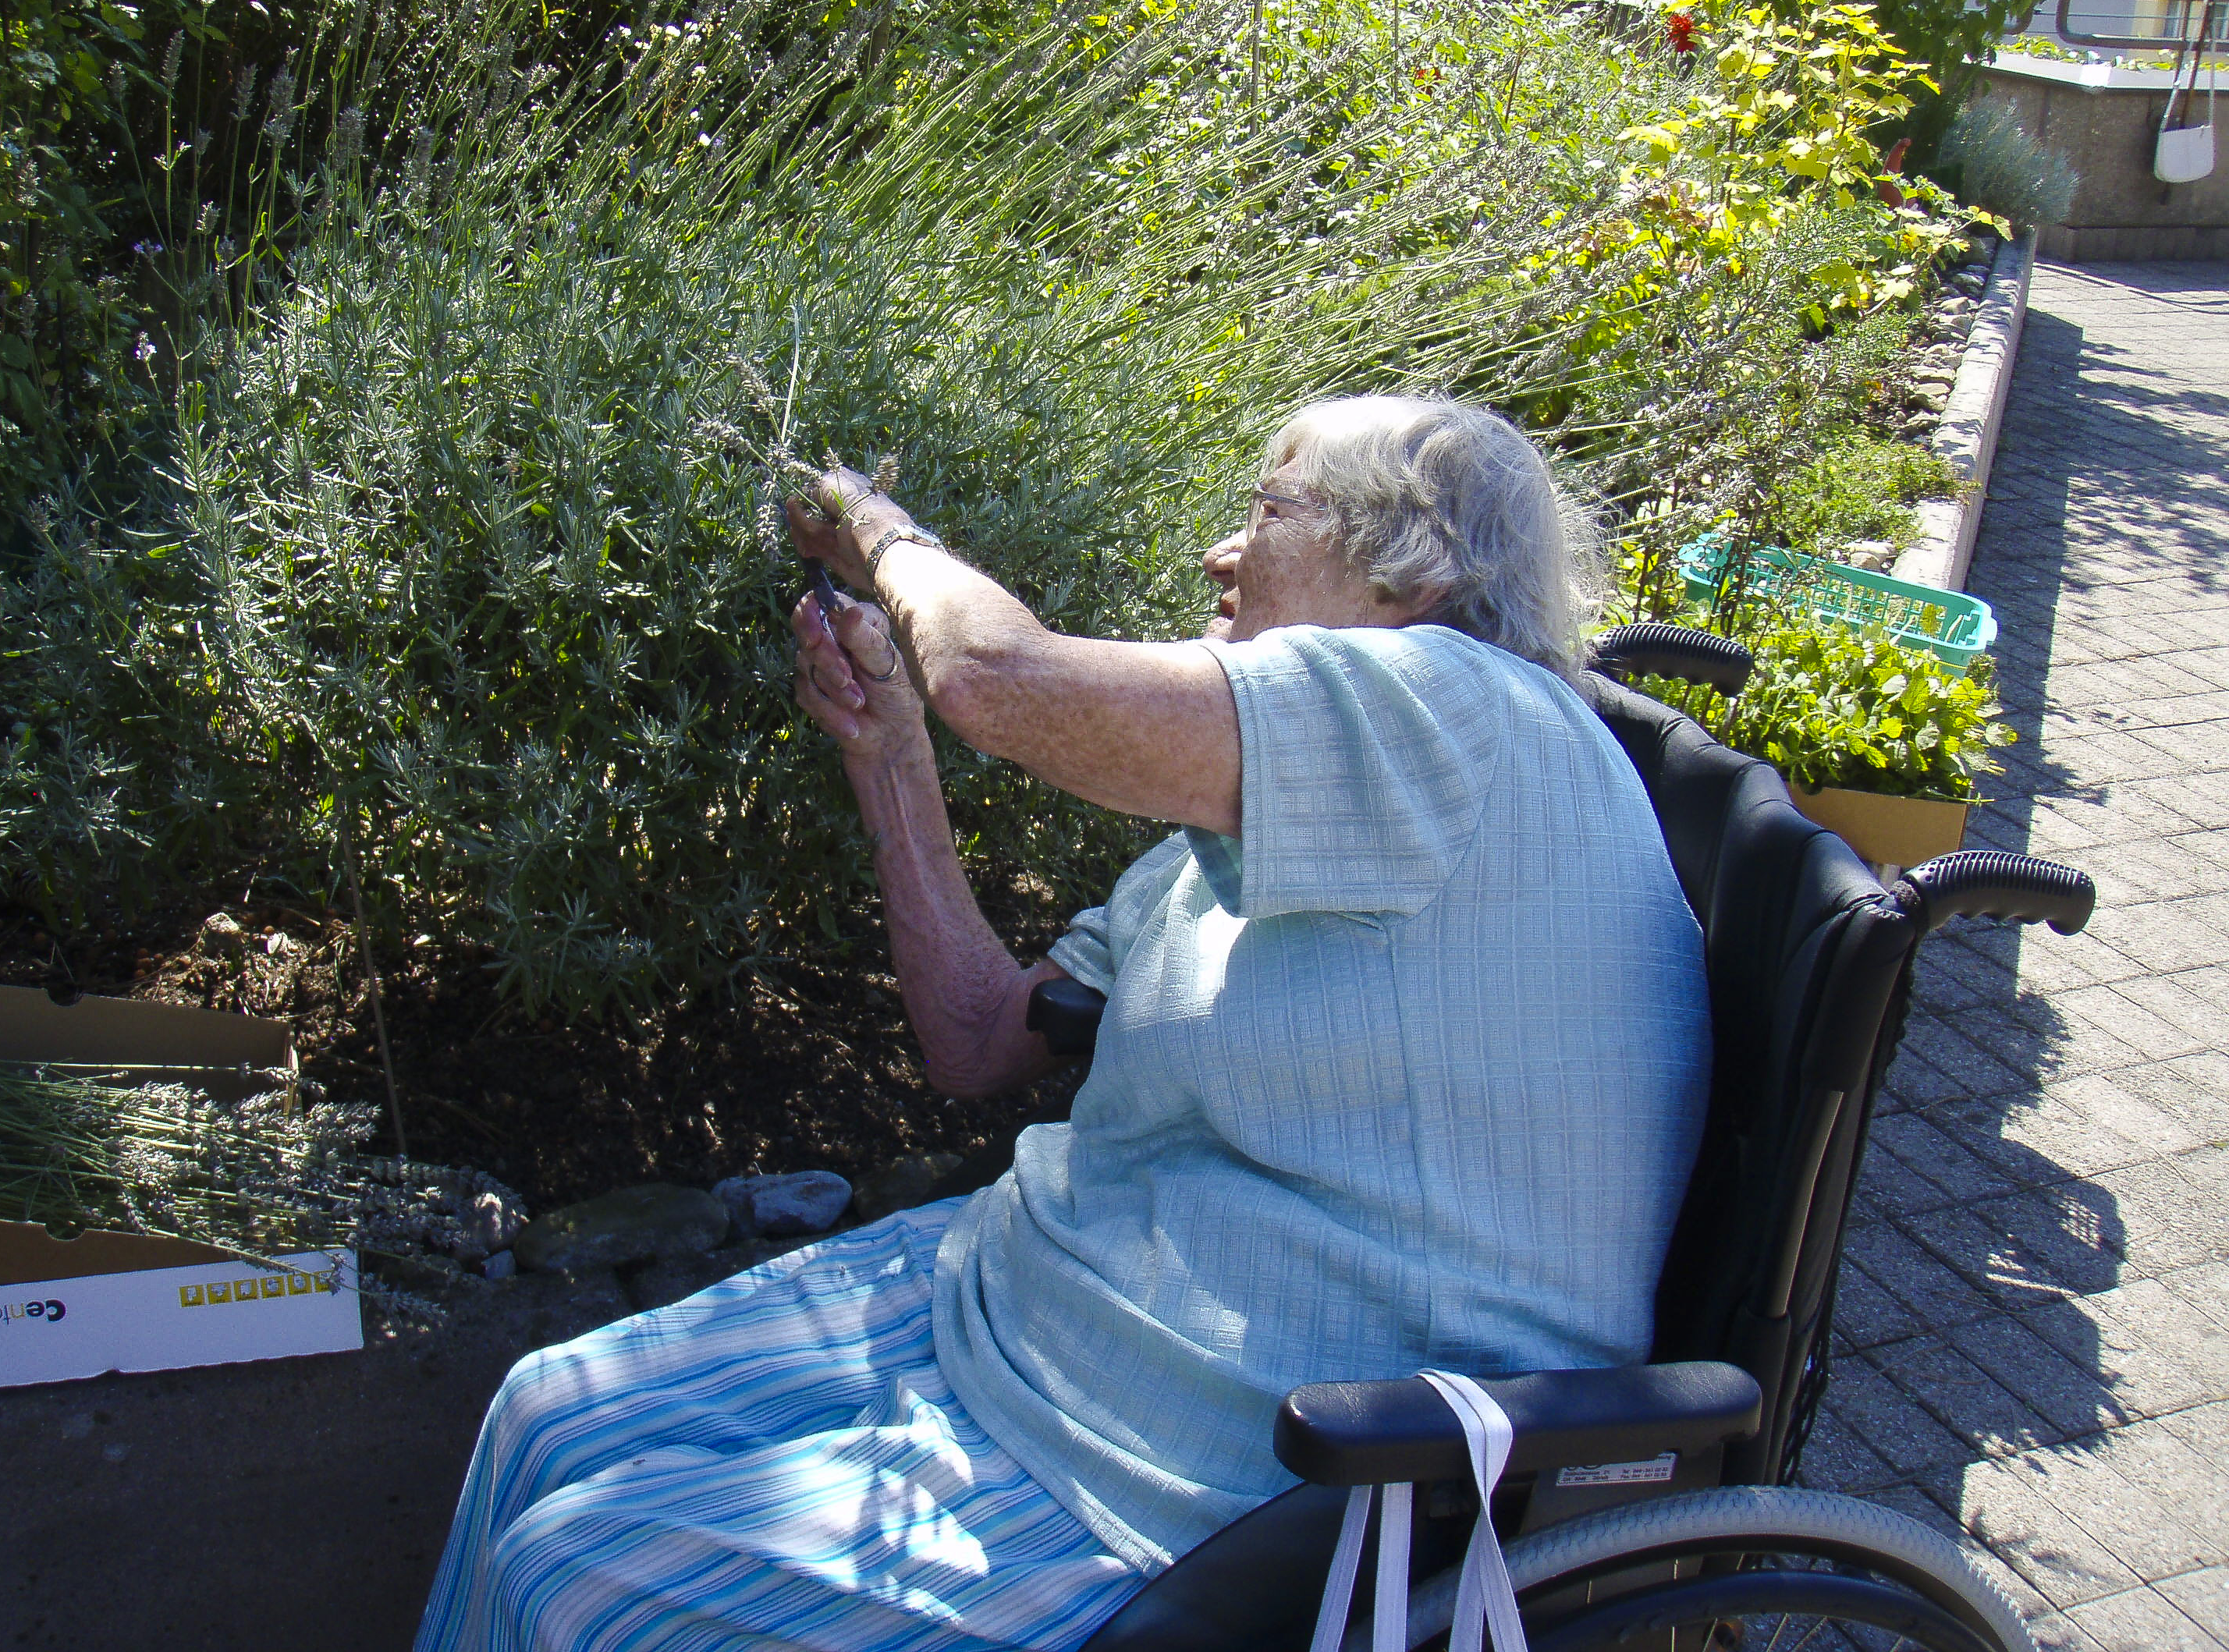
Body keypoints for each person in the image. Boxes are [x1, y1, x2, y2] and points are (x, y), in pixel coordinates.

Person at [414, 394, 1711, 1652]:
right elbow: (981, 1035)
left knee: (573, 1586)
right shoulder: (1284, 822)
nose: (1220, 551)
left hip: (1215, 1458)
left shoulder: (1462, 706)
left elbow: (994, 675)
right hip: (1032, 1310)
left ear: (1408, 572)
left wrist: (879, 532)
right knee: (543, 1413)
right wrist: (889, 756)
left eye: (1268, 510)